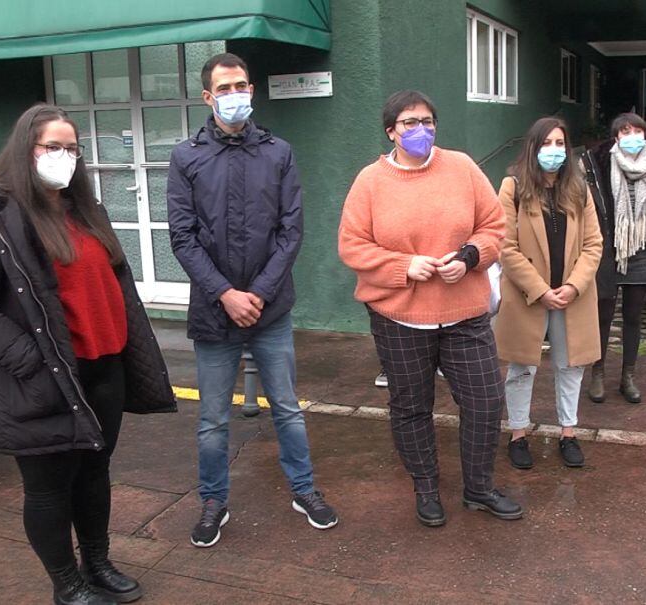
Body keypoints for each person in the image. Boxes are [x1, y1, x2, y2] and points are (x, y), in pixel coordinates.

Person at [0, 104, 177, 605]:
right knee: (49, 490)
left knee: (94, 473)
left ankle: (98, 562)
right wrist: (31, 362)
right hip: (41, 378)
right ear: (24, 149)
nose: (64, 157)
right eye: (52, 146)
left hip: (102, 367)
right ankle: (67, 583)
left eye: (72, 148)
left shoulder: (81, 211)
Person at [167, 53, 337, 548]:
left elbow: (291, 231)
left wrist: (257, 295)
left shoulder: (278, 152)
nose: (235, 94)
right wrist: (225, 293)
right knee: (213, 420)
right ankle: (213, 501)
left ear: (252, 89)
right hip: (213, 314)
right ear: (208, 97)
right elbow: (182, 237)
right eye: (225, 87)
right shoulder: (187, 157)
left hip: (271, 310)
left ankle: (304, 490)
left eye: (241, 84)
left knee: (286, 408)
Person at [339, 90, 522, 527]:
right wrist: (405, 265)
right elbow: (352, 245)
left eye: (427, 120)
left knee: (484, 401)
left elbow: (494, 226)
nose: (420, 129)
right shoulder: (370, 181)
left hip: (465, 313)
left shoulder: (461, 167)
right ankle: (425, 486)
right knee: (411, 406)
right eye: (409, 122)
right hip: (399, 318)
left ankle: (478, 488)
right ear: (391, 131)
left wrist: (470, 257)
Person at [494, 117, 603, 469]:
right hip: (529, 295)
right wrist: (541, 291)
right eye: (546, 144)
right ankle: (518, 433)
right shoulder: (512, 187)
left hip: (572, 296)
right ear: (533, 147)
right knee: (522, 366)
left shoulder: (579, 188)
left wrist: (573, 286)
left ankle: (568, 433)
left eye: (560, 144)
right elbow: (505, 247)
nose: (553, 151)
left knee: (570, 367)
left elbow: (593, 244)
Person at [582, 113, 646, 404]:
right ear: (616, 137)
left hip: (642, 251)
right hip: (608, 251)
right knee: (602, 316)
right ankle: (598, 373)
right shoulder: (600, 164)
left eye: (637, 130)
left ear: (645, 134)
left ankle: (628, 376)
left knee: (633, 317)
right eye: (625, 131)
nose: (631, 135)